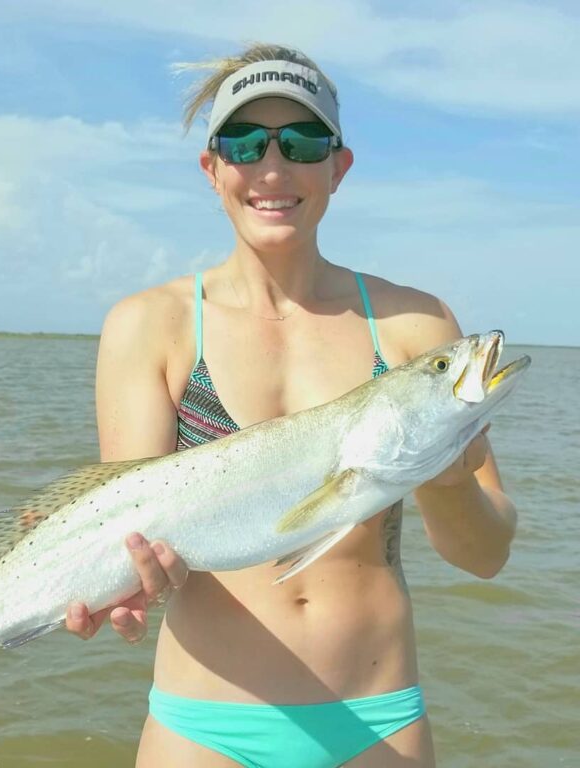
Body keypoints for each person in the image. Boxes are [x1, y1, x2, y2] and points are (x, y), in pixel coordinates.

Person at [65, 44, 517, 768]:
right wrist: (126, 585)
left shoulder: (416, 326)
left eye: (302, 142)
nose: (273, 169)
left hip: (378, 723)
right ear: (213, 170)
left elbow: (487, 555)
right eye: (246, 143)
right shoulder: (150, 325)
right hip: (202, 726)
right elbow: (134, 527)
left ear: (338, 167)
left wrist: (447, 473)